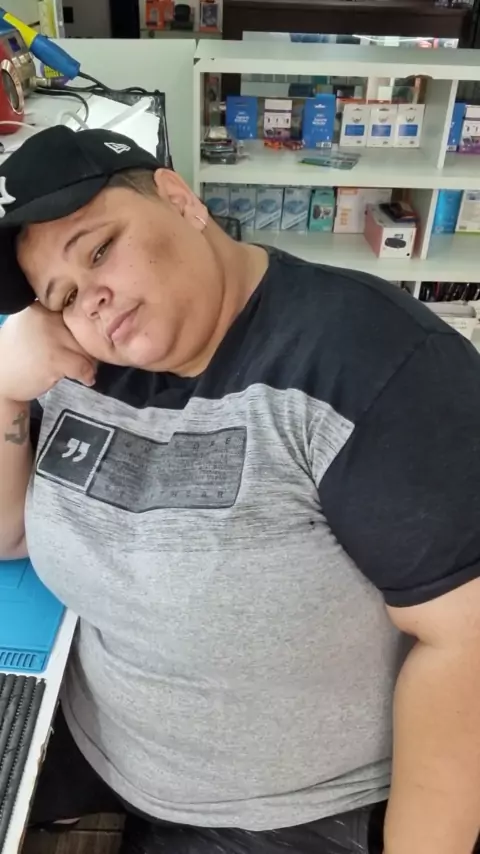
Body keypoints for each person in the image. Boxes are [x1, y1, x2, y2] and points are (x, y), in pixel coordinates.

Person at [0, 126, 480, 854]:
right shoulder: (73, 364)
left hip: (286, 812)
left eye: (98, 251)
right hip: (96, 742)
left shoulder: (374, 363)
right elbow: (10, 532)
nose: (89, 299)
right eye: (60, 295)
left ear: (179, 199)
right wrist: (6, 392)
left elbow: (465, 642)